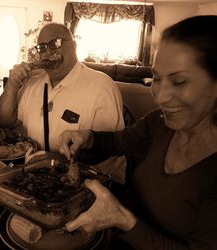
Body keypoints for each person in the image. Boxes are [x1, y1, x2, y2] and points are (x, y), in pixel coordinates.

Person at [58, 15, 217, 249]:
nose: (160, 96)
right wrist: (86, 136)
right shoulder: (160, 123)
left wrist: (122, 220)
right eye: (156, 78)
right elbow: (118, 141)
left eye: (180, 81)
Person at [0, 22, 124, 152]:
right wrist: (12, 85)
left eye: (55, 43)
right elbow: (3, 123)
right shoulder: (32, 84)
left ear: (74, 46)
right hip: (33, 168)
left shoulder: (102, 87)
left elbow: (111, 150)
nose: (49, 52)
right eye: (42, 48)